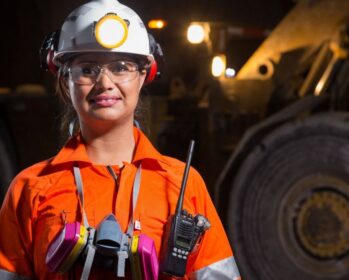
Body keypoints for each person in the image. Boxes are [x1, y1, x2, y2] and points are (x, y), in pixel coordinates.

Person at [0, 0, 241, 279]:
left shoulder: (182, 185)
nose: (104, 83)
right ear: (64, 80)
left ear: (144, 75)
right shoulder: (30, 188)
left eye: (121, 67)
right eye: (87, 69)